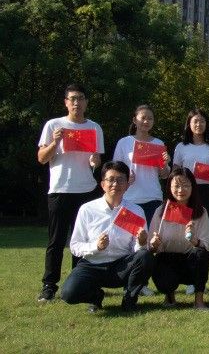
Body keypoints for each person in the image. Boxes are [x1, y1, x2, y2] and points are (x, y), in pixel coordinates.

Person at [37, 84, 104, 302]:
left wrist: (95, 161)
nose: (77, 102)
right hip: (60, 189)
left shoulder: (94, 128)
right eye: (73, 98)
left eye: (81, 98)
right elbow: (42, 158)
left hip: (86, 191)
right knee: (56, 241)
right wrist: (56, 141)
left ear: (86, 102)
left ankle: (79, 282)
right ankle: (49, 285)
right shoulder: (53, 125)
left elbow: (96, 160)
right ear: (66, 102)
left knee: (83, 241)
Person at [60, 161, 153, 312]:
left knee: (145, 255)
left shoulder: (135, 211)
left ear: (127, 185)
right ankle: (96, 296)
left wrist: (141, 242)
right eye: (111, 180)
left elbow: (137, 251)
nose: (115, 184)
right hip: (92, 265)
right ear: (103, 184)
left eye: (120, 180)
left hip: (121, 266)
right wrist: (95, 247)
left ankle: (129, 299)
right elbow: (75, 246)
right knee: (68, 294)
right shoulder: (87, 209)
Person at [149, 168, 209, 310]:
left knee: (201, 254)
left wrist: (195, 241)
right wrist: (154, 244)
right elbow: (150, 247)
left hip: (190, 261)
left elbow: (206, 245)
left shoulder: (201, 212)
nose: (181, 190)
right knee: (162, 267)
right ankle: (169, 295)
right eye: (176, 185)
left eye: (185, 185)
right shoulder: (160, 211)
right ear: (169, 187)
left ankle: (199, 301)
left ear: (192, 187)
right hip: (167, 259)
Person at [112, 104, 171, 225]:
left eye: (150, 118)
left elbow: (164, 175)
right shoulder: (124, 142)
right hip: (129, 197)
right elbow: (114, 169)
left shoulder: (159, 144)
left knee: (150, 235)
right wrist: (125, 176)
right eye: (143, 118)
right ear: (135, 120)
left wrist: (165, 164)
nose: (146, 121)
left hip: (153, 197)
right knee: (129, 234)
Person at [172, 108, 209, 224]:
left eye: (202, 121)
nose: (199, 124)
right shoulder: (181, 146)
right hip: (185, 190)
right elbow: (175, 171)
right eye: (195, 121)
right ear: (189, 124)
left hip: (207, 191)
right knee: (184, 224)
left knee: (205, 224)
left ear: (206, 124)